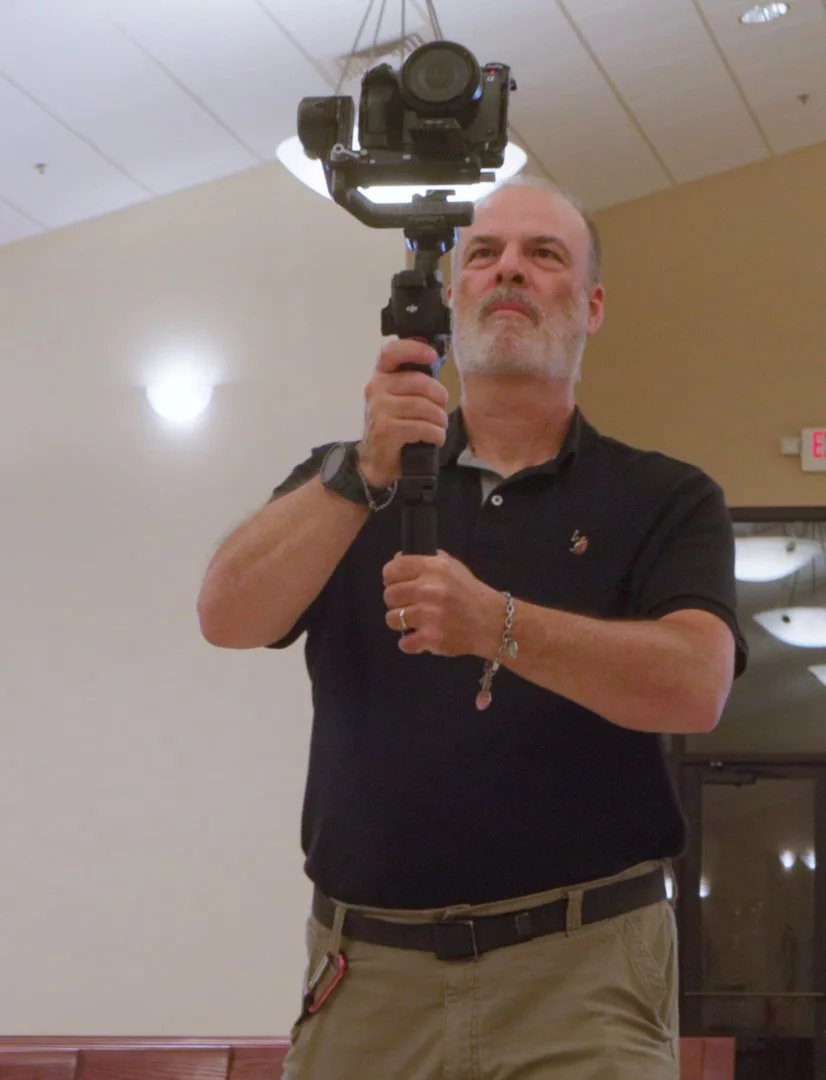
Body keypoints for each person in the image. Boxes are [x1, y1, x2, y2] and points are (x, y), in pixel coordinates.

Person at [197, 175, 748, 1079]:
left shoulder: (666, 498)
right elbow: (225, 613)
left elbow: (696, 684)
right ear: (449, 302)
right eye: (484, 255)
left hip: (584, 975)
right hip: (366, 977)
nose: (509, 273)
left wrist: (500, 626)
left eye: (544, 255)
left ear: (593, 304)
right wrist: (361, 475)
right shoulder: (345, 482)